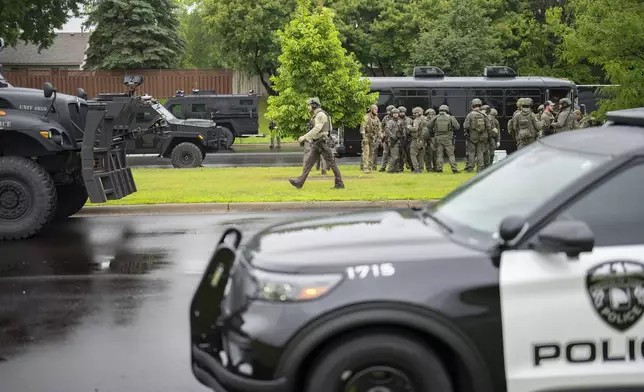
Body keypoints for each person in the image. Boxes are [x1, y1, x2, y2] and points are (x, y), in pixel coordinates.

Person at [289, 97, 344, 189]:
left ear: (314, 105)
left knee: (331, 163)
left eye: (309, 105)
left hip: (321, 143)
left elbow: (317, 128)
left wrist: (305, 137)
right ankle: (299, 182)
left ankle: (339, 183)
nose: (308, 107)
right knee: (308, 164)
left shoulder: (320, 115)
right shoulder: (318, 114)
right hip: (317, 143)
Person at [427, 105, 460, 174]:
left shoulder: (436, 117)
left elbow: (429, 126)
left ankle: (439, 169)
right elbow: (457, 127)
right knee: (451, 155)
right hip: (448, 139)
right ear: (447, 110)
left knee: (439, 155)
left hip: (438, 139)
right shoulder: (450, 117)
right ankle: (454, 169)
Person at [463, 98, 490, 173]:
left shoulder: (470, 115)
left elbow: (466, 126)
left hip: (472, 136)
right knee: (480, 153)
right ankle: (480, 168)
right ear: (480, 106)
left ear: (472, 106)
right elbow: (488, 126)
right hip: (482, 137)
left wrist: (468, 132)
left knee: (471, 153)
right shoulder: (484, 115)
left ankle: (470, 168)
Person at [360, 104, 381, 174]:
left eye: (377, 109)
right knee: (366, 152)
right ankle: (365, 168)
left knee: (372, 153)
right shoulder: (366, 117)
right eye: (375, 109)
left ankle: (370, 167)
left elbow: (379, 129)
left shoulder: (377, 119)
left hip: (373, 138)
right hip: (366, 137)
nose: (376, 111)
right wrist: (363, 137)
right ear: (371, 110)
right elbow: (362, 127)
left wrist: (379, 136)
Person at [384, 108, 404, 173]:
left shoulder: (399, 121)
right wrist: (393, 136)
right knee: (394, 156)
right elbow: (387, 130)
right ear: (392, 114)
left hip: (399, 140)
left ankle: (396, 169)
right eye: (394, 113)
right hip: (393, 141)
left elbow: (402, 130)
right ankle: (390, 170)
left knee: (398, 156)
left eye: (397, 113)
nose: (395, 115)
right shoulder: (390, 122)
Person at [409, 107, 427, 173]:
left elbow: (415, 129)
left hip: (416, 140)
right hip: (424, 140)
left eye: (414, 113)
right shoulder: (426, 118)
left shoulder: (417, 120)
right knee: (421, 155)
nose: (413, 114)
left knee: (412, 153)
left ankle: (416, 169)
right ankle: (421, 169)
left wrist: (409, 127)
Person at [379, 105, 396, 172]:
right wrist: (382, 133)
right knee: (385, 153)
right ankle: (383, 167)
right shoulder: (386, 118)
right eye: (387, 111)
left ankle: (393, 168)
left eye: (389, 111)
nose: (388, 113)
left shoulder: (396, 118)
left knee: (393, 154)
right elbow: (381, 126)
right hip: (386, 138)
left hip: (393, 139)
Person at [398, 106, 413, 172]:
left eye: (403, 112)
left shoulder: (409, 119)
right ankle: (401, 169)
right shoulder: (397, 120)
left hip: (408, 139)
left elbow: (412, 128)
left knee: (409, 154)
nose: (402, 113)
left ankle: (412, 168)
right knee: (400, 155)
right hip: (400, 139)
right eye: (400, 112)